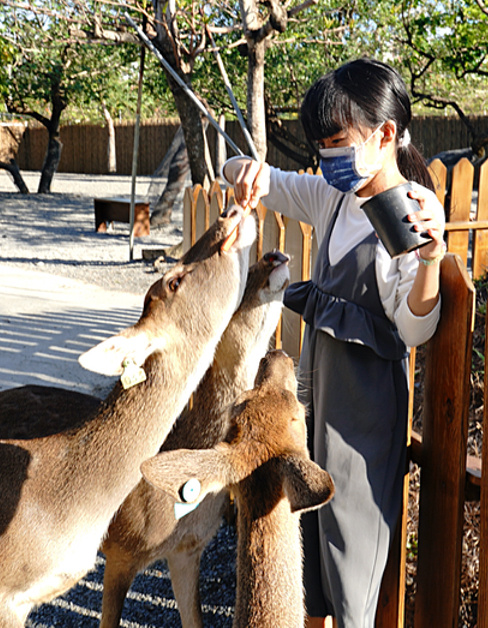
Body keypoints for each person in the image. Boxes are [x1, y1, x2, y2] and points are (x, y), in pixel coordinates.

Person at [226, 58, 445, 628]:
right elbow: (259, 180)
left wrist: (431, 258)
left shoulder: (409, 213)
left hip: (365, 418)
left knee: (352, 557)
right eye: (320, 144)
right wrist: (243, 170)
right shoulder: (333, 197)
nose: (326, 156)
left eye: (337, 141)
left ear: (385, 134)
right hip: (315, 404)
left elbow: (416, 326)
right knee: (314, 563)